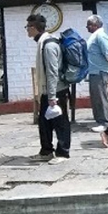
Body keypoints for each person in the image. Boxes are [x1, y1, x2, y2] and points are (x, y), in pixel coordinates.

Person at [26, 14, 71, 163]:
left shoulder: (49, 45)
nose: (27, 30)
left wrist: (52, 96)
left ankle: (63, 153)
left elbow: (52, 72)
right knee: (44, 122)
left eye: (28, 27)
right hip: (48, 90)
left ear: (33, 28)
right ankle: (46, 151)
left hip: (56, 90)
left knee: (60, 122)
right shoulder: (42, 43)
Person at [86, 15, 108, 132]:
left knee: (101, 97)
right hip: (94, 71)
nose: (87, 27)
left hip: (100, 71)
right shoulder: (94, 36)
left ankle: (104, 122)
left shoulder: (101, 36)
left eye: (89, 25)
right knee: (96, 97)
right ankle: (99, 120)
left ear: (95, 25)